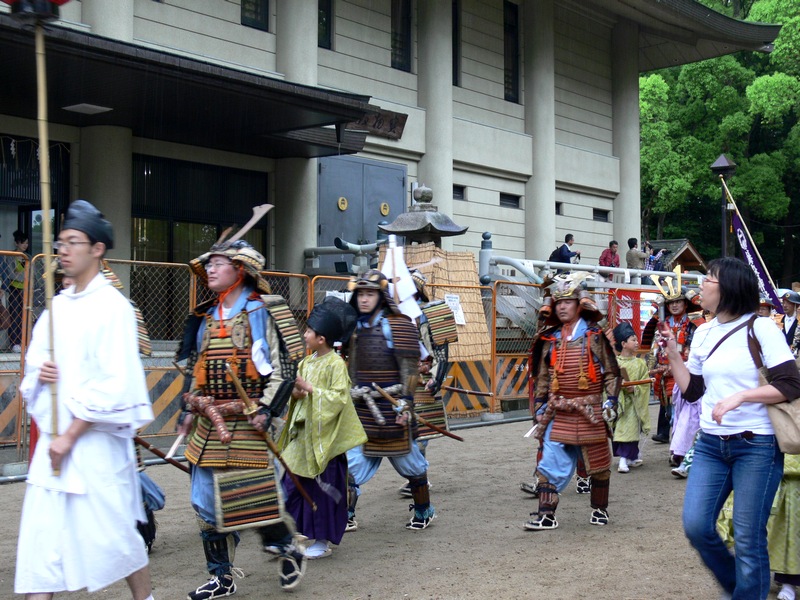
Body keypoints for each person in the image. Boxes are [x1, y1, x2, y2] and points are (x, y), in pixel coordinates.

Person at [15, 200, 155, 599]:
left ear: (97, 249)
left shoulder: (113, 308)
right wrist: (41, 374)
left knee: (119, 542)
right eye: (60, 242)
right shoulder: (55, 308)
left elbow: (116, 384)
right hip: (53, 451)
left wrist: (70, 436)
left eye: (73, 242)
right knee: (39, 553)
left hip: (94, 450)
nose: (63, 250)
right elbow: (33, 367)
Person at [176, 234, 308, 597]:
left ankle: (287, 548)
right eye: (210, 264)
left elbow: (286, 366)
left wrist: (267, 409)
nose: (210, 269)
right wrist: (188, 409)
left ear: (241, 270)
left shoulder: (264, 310)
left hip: (250, 418)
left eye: (217, 263)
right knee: (204, 502)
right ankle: (222, 577)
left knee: (253, 501)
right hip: (209, 422)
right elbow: (197, 366)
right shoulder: (205, 314)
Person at [660, 257, 800, 599]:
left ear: (729, 288)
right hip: (710, 444)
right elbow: (693, 390)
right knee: (696, 526)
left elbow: (791, 384)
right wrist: (675, 357)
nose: (702, 284)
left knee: (749, 536)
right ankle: (741, 589)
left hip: (758, 445)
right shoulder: (704, 331)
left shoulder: (762, 328)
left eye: (709, 279)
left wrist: (741, 396)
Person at [524, 273, 621, 530]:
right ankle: (546, 514)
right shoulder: (549, 338)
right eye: (558, 303)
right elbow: (542, 377)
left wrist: (611, 402)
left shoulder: (595, 336)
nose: (563, 307)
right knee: (548, 462)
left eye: (568, 302)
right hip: (559, 411)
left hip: (589, 410)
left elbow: (612, 372)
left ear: (580, 305)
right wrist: (540, 407)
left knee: (599, 464)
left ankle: (599, 510)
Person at [344, 269, 435, 531]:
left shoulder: (398, 325)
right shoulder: (353, 328)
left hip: (393, 409)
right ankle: (346, 515)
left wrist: (406, 404)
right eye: (360, 293)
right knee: (349, 468)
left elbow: (409, 369)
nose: (363, 299)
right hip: (364, 410)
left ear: (381, 296)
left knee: (413, 468)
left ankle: (424, 510)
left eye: (369, 293)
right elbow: (352, 370)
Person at [277, 297, 367, 560]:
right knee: (290, 485)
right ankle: (289, 535)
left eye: (308, 331)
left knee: (321, 491)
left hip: (324, 442)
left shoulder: (336, 364)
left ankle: (322, 540)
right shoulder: (306, 363)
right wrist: (294, 391)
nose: (304, 334)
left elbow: (339, 398)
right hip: (303, 438)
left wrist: (309, 389)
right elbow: (298, 397)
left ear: (322, 338)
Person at [611, 322, 651, 473]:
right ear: (623, 343)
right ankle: (624, 459)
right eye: (633, 340)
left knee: (632, 429)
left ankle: (630, 458)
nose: (636, 342)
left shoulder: (640, 363)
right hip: (620, 403)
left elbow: (646, 385)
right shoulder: (614, 363)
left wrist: (635, 388)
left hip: (634, 403)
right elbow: (608, 383)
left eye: (636, 339)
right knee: (622, 429)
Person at [8, 229, 29, 353]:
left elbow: (31, 273)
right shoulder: (11, 256)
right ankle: (14, 342)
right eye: (23, 243)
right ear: (17, 243)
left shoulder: (30, 257)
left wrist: (20, 274)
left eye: (26, 243)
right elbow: (11, 274)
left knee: (24, 316)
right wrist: (23, 275)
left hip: (26, 289)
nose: (25, 245)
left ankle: (23, 342)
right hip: (14, 289)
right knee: (14, 316)